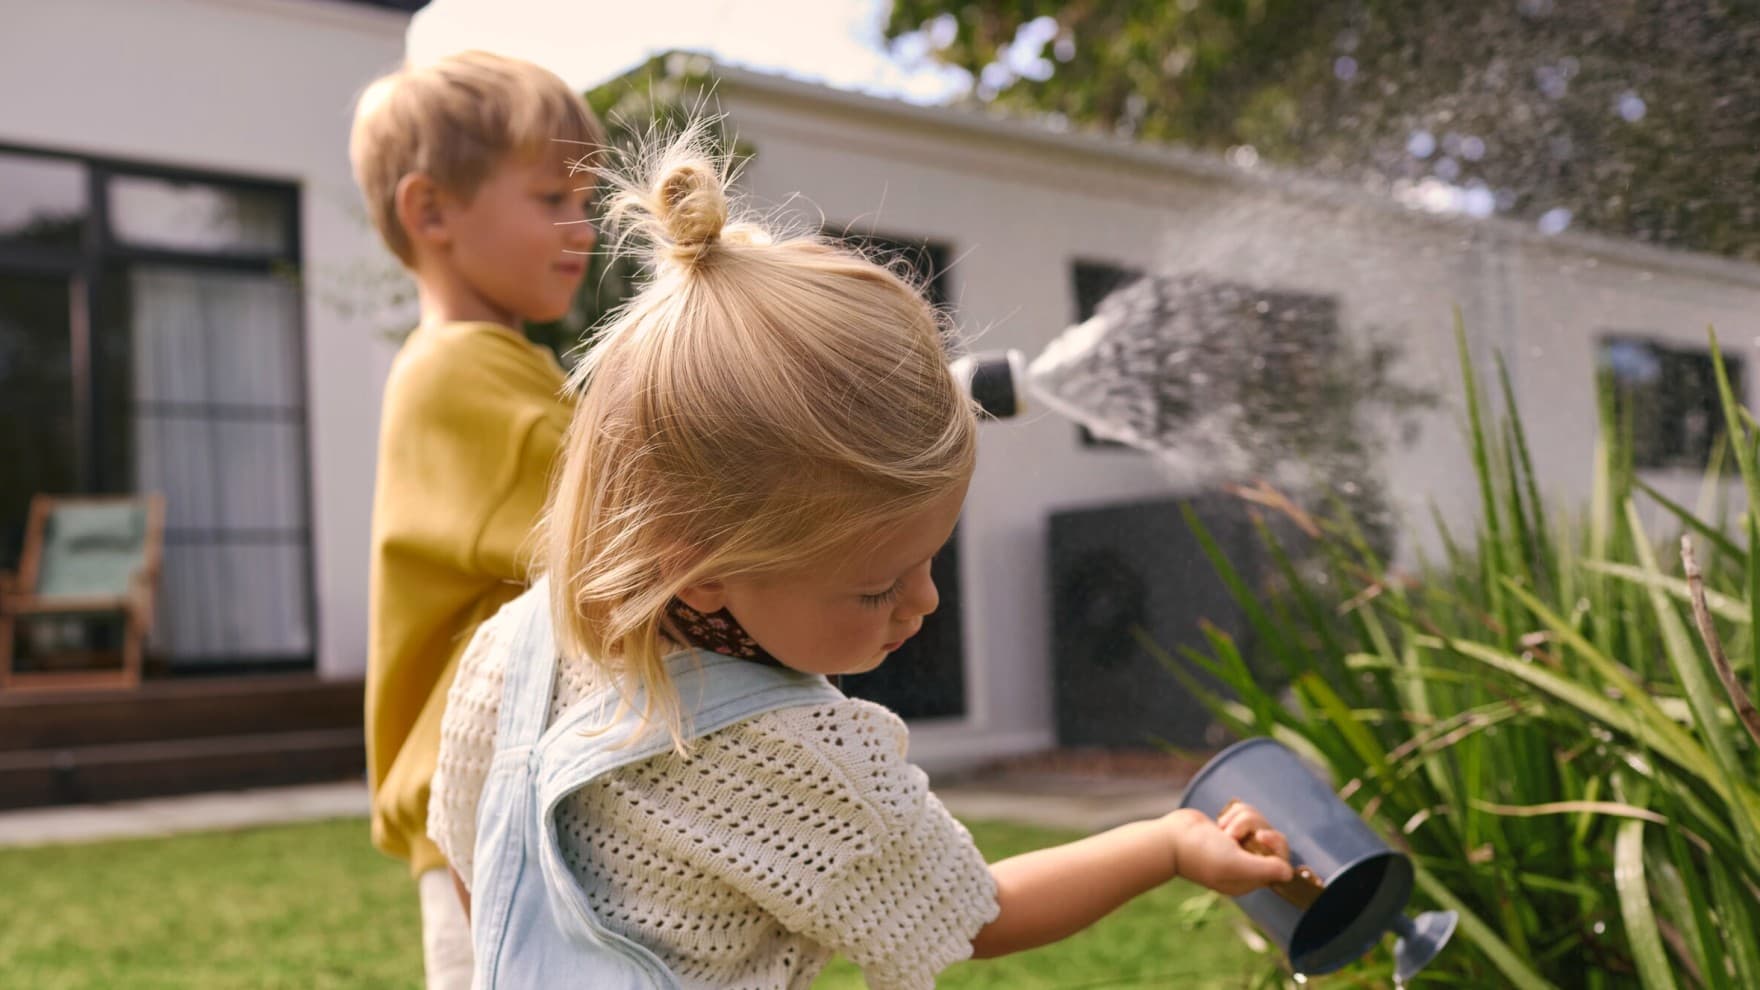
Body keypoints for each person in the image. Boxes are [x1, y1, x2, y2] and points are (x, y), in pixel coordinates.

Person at [427, 124, 1293, 989]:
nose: (925, 604)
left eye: (930, 562)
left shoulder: (513, 647)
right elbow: (975, 912)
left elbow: (478, 863)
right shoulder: (792, 754)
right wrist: (1169, 844)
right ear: (702, 566)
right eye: (878, 587)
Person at [348, 49, 605, 989]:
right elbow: (623, 517)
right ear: (431, 212)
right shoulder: (463, 371)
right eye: (551, 200)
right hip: (487, 810)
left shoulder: (493, 366)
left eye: (585, 202)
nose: (583, 228)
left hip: (504, 800)